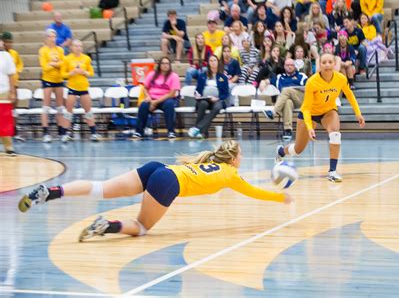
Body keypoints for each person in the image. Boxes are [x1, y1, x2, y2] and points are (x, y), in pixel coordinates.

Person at [18, 140, 293, 241]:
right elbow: (255, 192)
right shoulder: (231, 174)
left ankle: (51, 191)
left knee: (99, 188)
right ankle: (107, 226)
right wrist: (281, 196)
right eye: (241, 156)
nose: (241, 160)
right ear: (233, 160)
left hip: (159, 168)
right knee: (142, 227)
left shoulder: (207, 161)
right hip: (167, 182)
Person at [276, 53, 365, 182]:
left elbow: (350, 95)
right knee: (298, 149)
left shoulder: (340, 78)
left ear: (334, 64)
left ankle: (332, 171)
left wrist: (358, 113)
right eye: (324, 62)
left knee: (335, 134)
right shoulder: (312, 81)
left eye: (330, 62)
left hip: (328, 112)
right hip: (310, 114)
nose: (327, 65)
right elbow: (306, 108)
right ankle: (281, 151)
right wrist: (309, 127)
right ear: (319, 65)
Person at [60, 40, 101, 143]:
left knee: (88, 112)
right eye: (76, 46)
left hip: (83, 88)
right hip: (72, 88)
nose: (78, 48)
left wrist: (84, 72)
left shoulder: (86, 58)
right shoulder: (67, 59)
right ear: (71, 47)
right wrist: (71, 73)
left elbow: (91, 72)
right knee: (69, 112)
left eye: (80, 46)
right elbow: (62, 74)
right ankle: (65, 134)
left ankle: (94, 133)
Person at [133, 57, 181, 139]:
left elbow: (171, 94)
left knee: (169, 104)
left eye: (167, 63)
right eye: (163, 63)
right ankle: (139, 132)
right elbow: (145, 88)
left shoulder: (174, 76)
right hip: (152, 99)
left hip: (167, 99)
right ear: (159, 65)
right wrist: (148, 97)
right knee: (143, 105)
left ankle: (171, 132)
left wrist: (155, 102)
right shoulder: (152, 74)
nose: (165, 65)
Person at [262, 58, 308, 140]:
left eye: (291, 65)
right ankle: (288, 130)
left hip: (300, 99)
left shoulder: (301, 76)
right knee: (287, 102)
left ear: (294, 66)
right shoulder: (280, 77)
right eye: (287, 65)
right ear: (284, 66)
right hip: (287, 100)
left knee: (286, 90)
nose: (290, 67)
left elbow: (309, 86)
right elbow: (268, 81)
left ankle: (273, 112)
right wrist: (263, 82)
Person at [188, 55, 230, 138]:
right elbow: (198, 89)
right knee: (202, 104)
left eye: (215, 60)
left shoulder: (223, 76)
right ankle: (201, 132)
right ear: (208, 63)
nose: (213, 62)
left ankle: (197, 128)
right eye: (211, 61)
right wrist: (197, 94)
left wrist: (218, 98)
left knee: (218, 107)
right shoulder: (203, 75)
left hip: (218, 100)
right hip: (205, 99)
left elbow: (226, 93)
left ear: (218, 62)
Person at [38, 29, 67, 143]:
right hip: (47, 80)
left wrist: (53, 64)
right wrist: (55, 64)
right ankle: (45, 133)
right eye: (50, 36)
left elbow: (63, 64)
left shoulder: (59, 49)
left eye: (54, 36)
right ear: (46, 38)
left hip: (58, 80)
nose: (52, 39)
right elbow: (44, 67)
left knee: (60, 107)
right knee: (46, 107)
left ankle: (61, 133)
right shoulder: (43, 50)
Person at [2, 32, 24, 141]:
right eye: (7, 42)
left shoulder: (14, 53)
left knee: (13, 109)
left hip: (14, 84)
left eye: (11, 42)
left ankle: (14, 130)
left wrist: (17, 71)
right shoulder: (2, 55)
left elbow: (20, 64)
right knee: (4, 111)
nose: (9, 44)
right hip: (4, 87)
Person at [0, 38, 16, 156]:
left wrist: (12, 91)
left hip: (4, 90)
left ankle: (8, 146)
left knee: (4, 120)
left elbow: (11, 75)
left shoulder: (6, 56)